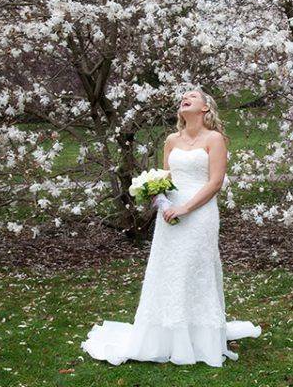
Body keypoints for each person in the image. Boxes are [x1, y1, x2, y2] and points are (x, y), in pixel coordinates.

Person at [80, 89, 262, 367]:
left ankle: (200, 337)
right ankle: (167, 336)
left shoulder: (215, 139)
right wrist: (161, 202)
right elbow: (163, 179)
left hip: (199, 213)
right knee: (169, 270)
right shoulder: (171, 140)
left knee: (195, 268)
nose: (185, 98)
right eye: (183, 97)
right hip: (170, 216)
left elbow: (214, 183)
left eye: (192, 96)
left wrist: (186, 208)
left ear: (205, 108)